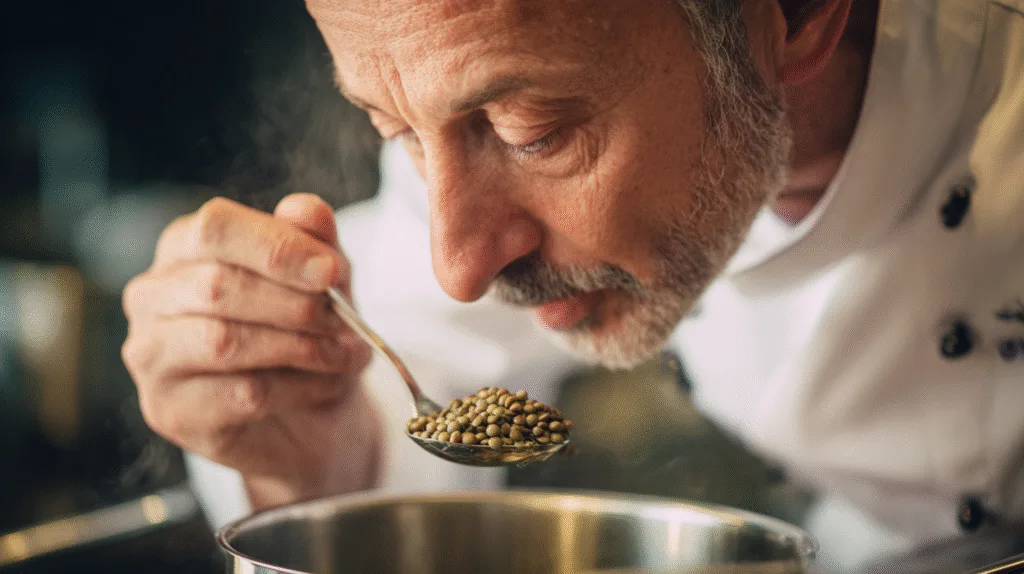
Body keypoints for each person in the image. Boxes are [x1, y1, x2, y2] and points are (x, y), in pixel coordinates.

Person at [120, 0, 1024, 570]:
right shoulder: (463, 103)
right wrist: (304, 447)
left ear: (790, 14)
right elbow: (396, 387)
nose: (460, 265)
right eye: (390, 127)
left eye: (532, 133)